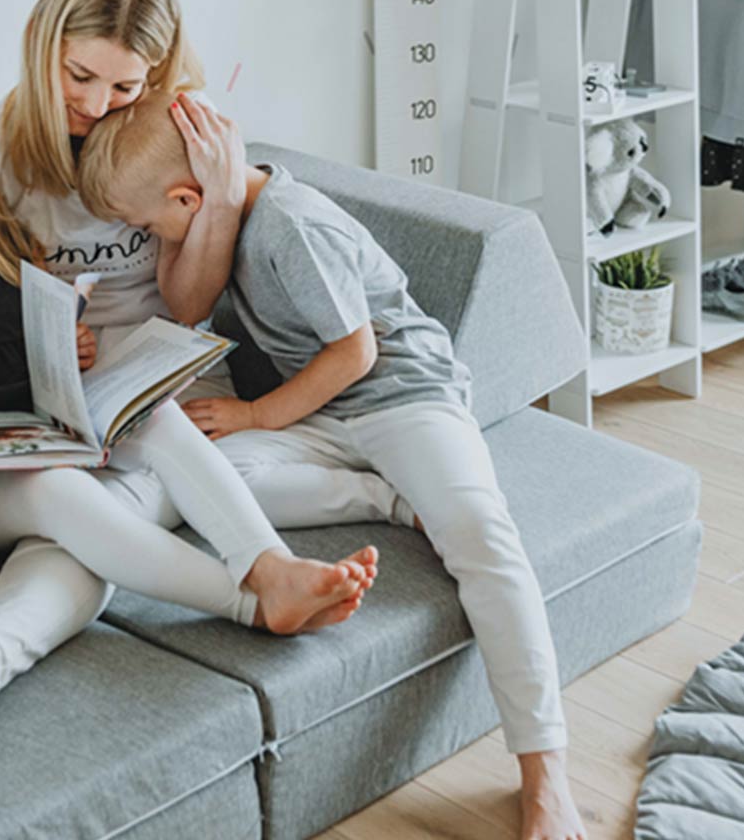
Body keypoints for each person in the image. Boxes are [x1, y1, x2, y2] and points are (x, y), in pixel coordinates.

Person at [0, 85, 377, 745]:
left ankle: (267, 562)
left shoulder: (9, 248)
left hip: (45, 433)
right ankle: (250, 603)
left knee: (154, 417)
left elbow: (48, 341)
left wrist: (72, 346)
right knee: (58, 492)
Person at [74, 86, 586, 840]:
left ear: (185, 199)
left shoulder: (289, 226)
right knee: (219, 485)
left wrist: (253, 414)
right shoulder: (217, 221)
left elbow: (358, 351)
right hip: (324, 414)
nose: (146, 241)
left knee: (482, 534)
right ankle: (393, 501)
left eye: (148, 227)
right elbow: (189, 307)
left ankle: (546, 776)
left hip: (402, 397)